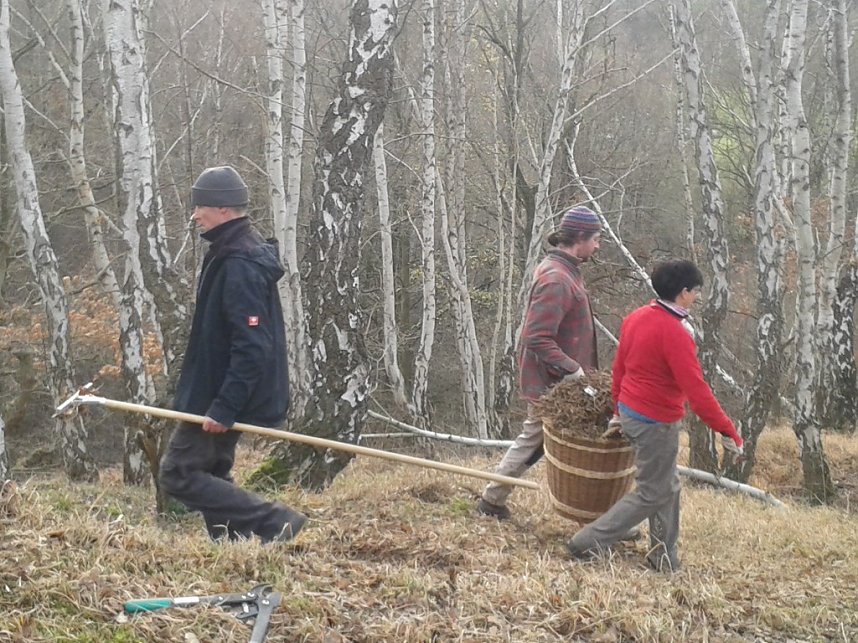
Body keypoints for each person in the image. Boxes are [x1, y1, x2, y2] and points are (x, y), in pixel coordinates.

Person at [565, 259, 744, 572]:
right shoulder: (674, 333)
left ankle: (663, 557)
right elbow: (697, 391)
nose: (697, 296)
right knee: (652, 492)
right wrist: (727, 430)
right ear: (683, 292)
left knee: (667, 486)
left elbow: (619, 368)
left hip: (633, 412)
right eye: (696, 291)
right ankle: (587, 541)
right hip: (654, 422)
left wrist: (618, 410)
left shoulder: (636, 317)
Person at [159, 165, 306, 543]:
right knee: (213, 471)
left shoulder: (240, 263)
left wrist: (224, 406)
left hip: (219, 395)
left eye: (200, 207)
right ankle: (231, 546)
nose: (195, 215)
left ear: (223, 209)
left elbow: (252, 345)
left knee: (179, 474)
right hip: (217, 390)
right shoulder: (230, 252)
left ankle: (276, 522)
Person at [477, 205, 601, 520]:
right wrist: (573, 370)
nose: (598, 246)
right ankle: (492, 500)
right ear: (580, 237)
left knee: (538, 441)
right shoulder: (558, 278)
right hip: (552, 384)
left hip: (559, 382)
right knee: (541, 441)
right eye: (595, 239)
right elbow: (536, 337)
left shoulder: (565, 270)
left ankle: (493, 499)